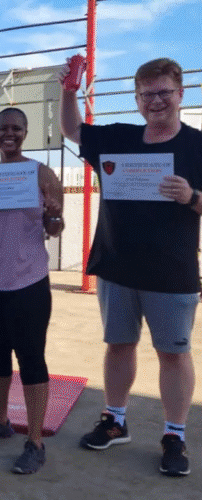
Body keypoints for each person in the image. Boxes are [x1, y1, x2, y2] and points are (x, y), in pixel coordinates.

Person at [59, 57, 200, 477]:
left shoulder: (197, 146)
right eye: (147, 94)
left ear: (180, 95)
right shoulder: (118, 138)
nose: (156, 101)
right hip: (117, 265)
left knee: (173, 354)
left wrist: (192, 196)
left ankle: (174, 433)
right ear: (137, 99)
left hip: (171, 272)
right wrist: (69, 90)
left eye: (164, 93)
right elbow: (71, 129)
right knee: (119, 345)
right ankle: (115, 420)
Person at [0, 107, 64, 474]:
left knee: (32, 358)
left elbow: (55, 228)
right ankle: (1, 420)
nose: (9, 134)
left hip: (28, 281)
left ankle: (35, 441)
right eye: (3, 128)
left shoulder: (41, 174)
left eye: (16, 128)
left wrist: (53, 211)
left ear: (25, 132)